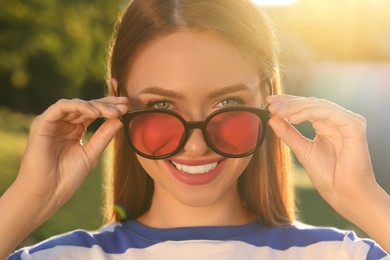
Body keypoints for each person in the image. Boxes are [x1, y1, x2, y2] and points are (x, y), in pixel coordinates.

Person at [1, 0, 389, 259]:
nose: (197, 145)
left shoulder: (337, 255)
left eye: (229, 104)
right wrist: (31, 197)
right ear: (119, 100)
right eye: (161, 106)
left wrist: (362, 199)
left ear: (269, 97)